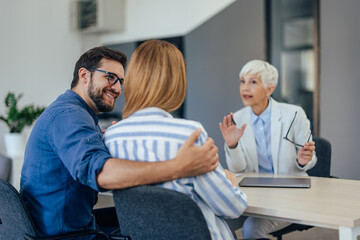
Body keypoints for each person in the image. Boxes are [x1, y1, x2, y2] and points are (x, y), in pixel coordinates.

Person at [20, 46, 219, 238]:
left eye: (121, 82)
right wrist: (178, 166)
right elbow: (102, 176)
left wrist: (103, 140)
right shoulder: (70, 115)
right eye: (110, 77)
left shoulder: (71, 111)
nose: (117, 88)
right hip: (68, 235)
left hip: (58, 228)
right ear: (84, 75)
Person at [104, 39, 248, 240]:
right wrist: (231, 185)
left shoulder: (112, 136)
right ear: (176, 81)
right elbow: (233, 207)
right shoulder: (190, 133)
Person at [219, 59, 317, 239]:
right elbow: (237, 169)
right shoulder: (238, 118)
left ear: (270, 89)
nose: (245, 88)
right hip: (252, 196)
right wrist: (232, 145)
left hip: (288, 195)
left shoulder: (294, 114)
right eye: (242, 81)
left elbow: (311, 159)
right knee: (217, 222)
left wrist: (303, 160)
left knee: (251, 229)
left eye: (253, 82)